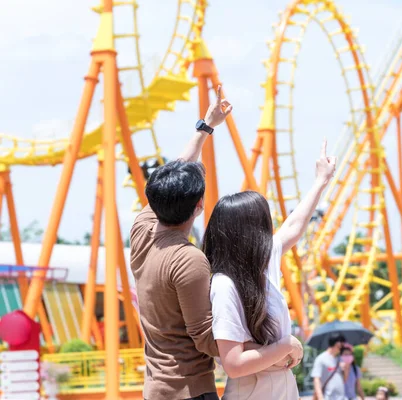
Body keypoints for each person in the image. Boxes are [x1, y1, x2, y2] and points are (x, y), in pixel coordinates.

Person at [130, 87, 300, 400]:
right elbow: (208, 338)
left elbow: (171, 178)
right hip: (189, 390)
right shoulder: (188, 260)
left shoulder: (142, 233)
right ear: (199, 207)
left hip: (156, 388)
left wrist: (205, 127)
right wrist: (278, 350)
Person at [204, 138, 337, 398]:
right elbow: (233, 364)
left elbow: (294, 227)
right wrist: (287, 345)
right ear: (251, 233)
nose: (271, 230)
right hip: (254, 390)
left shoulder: (261, 264)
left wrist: (321, 180)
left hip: (279, 386)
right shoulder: (224, 284)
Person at [311, 333, 347, 400]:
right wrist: (320, 397)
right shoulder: (321, 359)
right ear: (337, 343)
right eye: (342, 344)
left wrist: (345, 370)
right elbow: (316, 380)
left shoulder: (339, 359)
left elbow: (344, 380)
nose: (343, 346)